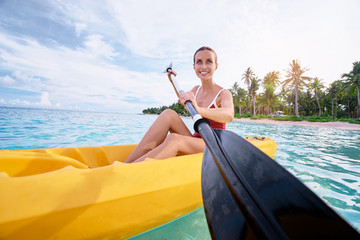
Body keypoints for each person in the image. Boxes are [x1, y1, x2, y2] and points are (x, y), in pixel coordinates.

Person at [124, 46, 234, 163]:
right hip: (195, 141)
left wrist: (199, 109)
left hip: (213, 145)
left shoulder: (224, 93)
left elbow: (229, 115)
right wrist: (173, 82)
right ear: (194, 67)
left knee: (174, 139)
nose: (203, 66)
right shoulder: (195, 90)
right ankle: (125, 164)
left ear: (216, 66)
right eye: (199, 62)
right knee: (168, 114)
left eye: (209, 61)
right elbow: (184, 100)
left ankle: (127, 172)